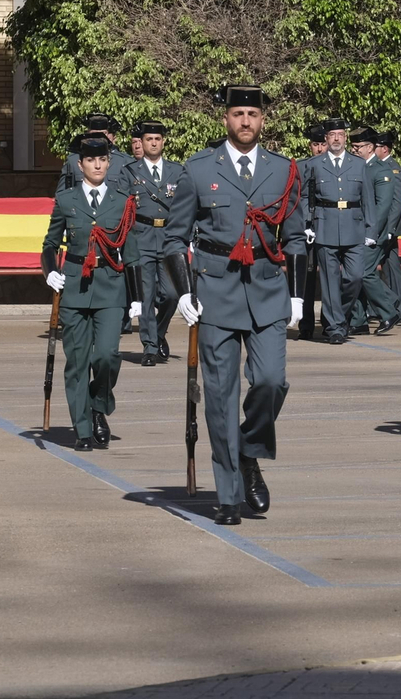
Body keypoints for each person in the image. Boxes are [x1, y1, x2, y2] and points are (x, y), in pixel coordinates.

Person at [164, 84, 307, 525]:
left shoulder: (284, 170)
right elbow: (174, 237)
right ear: (225, 119)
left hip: (266, 288)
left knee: (271, 381)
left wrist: (299, 295)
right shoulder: (198, 168)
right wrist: (185, 291)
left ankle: (249, 450)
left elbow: (297, 237)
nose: (246, 121)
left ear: (264, 120)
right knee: (221, 398)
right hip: (216, 291)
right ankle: (227, 494)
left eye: (253, 114)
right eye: (238, 113)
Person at [42, 135, 144, 451]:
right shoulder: (66, 199)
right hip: (74, 286)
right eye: (91, 160)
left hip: (111, 287)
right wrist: (51, 272)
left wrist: (137, 297)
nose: (97, 165)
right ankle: (83, 429)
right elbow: (49, 244)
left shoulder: (122, 200)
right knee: (77, 361)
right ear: (81, 164)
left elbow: (132, 253)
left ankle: (99, 405)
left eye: (102, 160)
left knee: (108, 356)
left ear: (108, 163)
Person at [302, 117, 382, 345]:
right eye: (332, 135)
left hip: (354, 227)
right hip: (324, 226)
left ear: (345, 138)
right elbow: (307, 197)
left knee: (355, 277)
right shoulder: (315, 164)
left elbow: (368, 198)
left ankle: (338, 316)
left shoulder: (358, 164)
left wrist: (371, 230)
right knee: (329, 282)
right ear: (326, 139)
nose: (336, 138)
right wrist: (308, 224)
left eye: (340, 135)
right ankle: (336, 327)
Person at [128, 120, 184, 366]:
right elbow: (123, 208)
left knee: (172, 294)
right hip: (142, 236)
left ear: (163, 142)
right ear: (141, 142)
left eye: (157, 139)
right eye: (149, 139)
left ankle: (159, 332)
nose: (153, 143)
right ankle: (149, 347)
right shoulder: (130, 172)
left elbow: (185, 205)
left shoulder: (177, 171)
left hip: (169, 237)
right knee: (147, 296)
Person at [347, 126, 401, 335]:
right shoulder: (358, 167)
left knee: (365, 272)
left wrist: (370, 233)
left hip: (374, 233)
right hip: (357, 230)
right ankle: (359, 320)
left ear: (370, 147)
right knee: (355, 274)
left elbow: (383, 206)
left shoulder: (381, 170)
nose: (354, 150)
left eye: (359, 146)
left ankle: (389, 310)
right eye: (353, 146)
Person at [374, 131, 401, 324]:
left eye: (376, 146)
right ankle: (398, 308)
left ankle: (395, 305)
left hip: (389, 227)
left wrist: (389, 228)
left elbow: (397, 202)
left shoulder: (392, 168)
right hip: (385, 227)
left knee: (372, 268)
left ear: (385, 149)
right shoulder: (381, 166)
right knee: (391, 268)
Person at [296, 125, 327, 340]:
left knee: (329, 277)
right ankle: (306, 325)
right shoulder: (301, 167)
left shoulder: (336, 167)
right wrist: (304, 223)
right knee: (306, 277)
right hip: (306, 228)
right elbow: (297, 198)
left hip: (327, 226)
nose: (319, 149)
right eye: (315, 144)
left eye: (322, 144)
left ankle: (329, 322)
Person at [59, 112, 136, 190]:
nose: (98, 138)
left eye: (103, 134)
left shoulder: (125, 162)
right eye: (94, 134)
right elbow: (62, 195)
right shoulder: (73, 160)